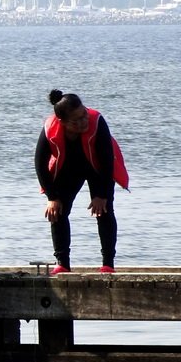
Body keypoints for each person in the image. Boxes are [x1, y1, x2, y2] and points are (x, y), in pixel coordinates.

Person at [34, 90, 129, 274]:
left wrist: (102, 195)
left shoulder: (97, 120)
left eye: (84, 114)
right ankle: (62, 264)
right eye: (76, 120)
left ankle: (108, 264)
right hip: (68, 169)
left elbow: (108, 159)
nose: (83, 121)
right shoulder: (49, 128)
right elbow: (40, 165)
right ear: (62, 122)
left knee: (104, 210)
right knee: (58, 212)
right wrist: (51, 197)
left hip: (98, 168)